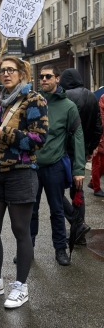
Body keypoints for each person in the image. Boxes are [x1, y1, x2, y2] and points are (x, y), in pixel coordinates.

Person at [0, 57, 48, 308]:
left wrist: (3, 133)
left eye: (11, 70)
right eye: (3, 71)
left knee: (20, 231)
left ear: (22, 72)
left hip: (21, 171)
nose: (6, 74)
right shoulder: (2, 100)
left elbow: (39, 139)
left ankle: (21, 286)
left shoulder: (34, 99)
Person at [30, 65, 85, 266]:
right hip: (32, 167)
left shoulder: (68, 106)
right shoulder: (33, 103)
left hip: (54, 166)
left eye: (48, 76)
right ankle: (28, 248)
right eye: (41, 76)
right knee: (30, 211)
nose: (43, 79)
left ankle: (60, 249)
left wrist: (79, 169)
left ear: (57, 79)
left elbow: (78, 137)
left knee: (57, 211)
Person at [59, 68, 102, 241]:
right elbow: (98, 126)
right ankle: (80, 233)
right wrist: (90, 149)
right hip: (81, 151)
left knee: (55, 191)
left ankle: (77, 224)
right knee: (78, 192)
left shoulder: (64, 96)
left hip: (63, 151)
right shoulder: (92, 96)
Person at [91, 95, 104, 196]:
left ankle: (93, 183)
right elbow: (101, 120)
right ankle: (96, 188)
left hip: (100, 136)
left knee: (100, 163)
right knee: (97, 163)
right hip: (100, 137)